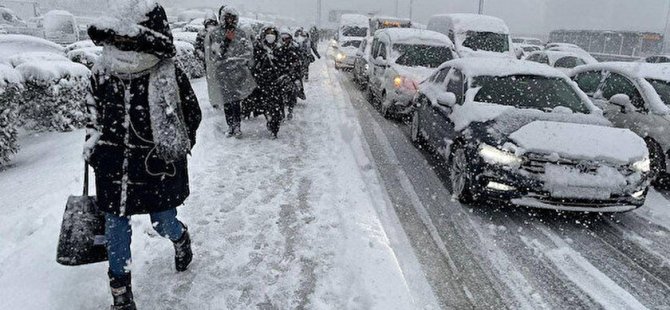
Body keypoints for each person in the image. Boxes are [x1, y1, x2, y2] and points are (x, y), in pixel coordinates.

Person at [85, 2, 202, 309]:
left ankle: (180, 238)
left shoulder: (168, 73)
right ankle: (121, 294)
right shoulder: (102, 71)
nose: (121, 44)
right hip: (112, 166)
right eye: (117, 38)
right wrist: (94, 147)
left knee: (163, 222)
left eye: (128, 38)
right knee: (115, 227)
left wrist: (171, 144)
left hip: (155, 166)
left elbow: (191, 114)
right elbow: (92, 115)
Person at [205, 6, 256, 137]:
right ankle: (230, 126)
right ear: (222, 18)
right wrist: (226, 43)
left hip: (238, 72)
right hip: (222, 72)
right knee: (226, 100)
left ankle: (237, 126)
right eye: (227, 17)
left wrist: (237, 61)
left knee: (236, 100)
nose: (230, 20)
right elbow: (214, 54)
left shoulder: (241, 33)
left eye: (232, 18)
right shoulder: (215, 34)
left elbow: (248, 52)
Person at [252, 26, 284, 138]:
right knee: (266, 106)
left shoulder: (280, 48)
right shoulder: (258, 47)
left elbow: (284, 65)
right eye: (268, 33)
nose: (270, 35)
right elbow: (254, 64)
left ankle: (274, 127)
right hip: (262, 83)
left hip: (276, 83)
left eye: (272, 33)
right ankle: (269, 121)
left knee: (276, 108)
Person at [276, 28, 304, 120]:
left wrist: (295, 68)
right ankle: (281, 113)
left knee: (294, 89)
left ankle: (291, 109)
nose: (285, 40)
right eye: (283, 38)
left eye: (286, 38)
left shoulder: (295, 47)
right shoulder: (277, 48)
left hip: (292, 74)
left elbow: (299, 59)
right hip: (280, 74)